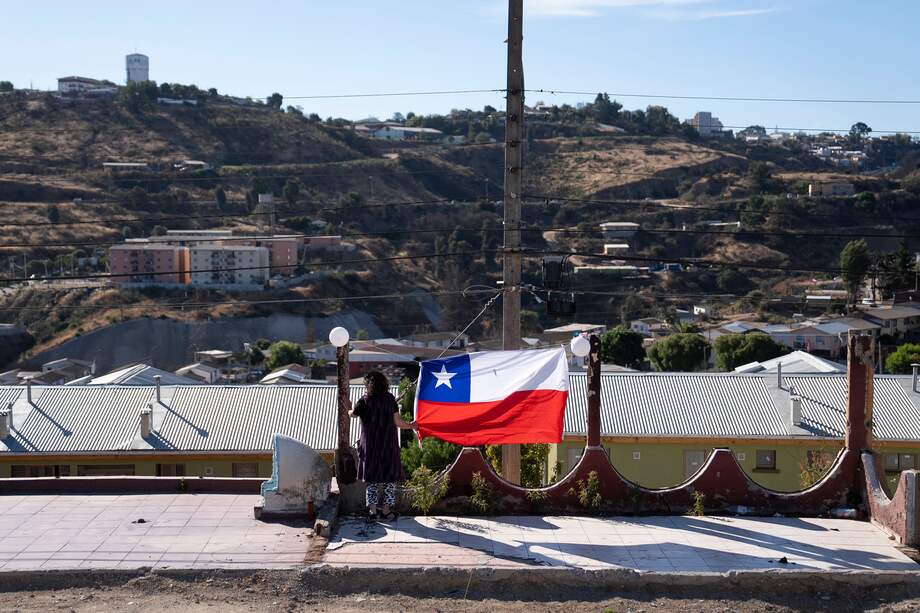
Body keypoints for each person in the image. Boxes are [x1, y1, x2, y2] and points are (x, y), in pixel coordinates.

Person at [348, 370, 418, 521]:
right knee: (389, 480)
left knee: (372, 480)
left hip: (370, 447)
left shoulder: (364, 400)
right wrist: (412, 426)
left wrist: (349, 408)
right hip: (388, 446)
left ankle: (372, 512)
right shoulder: (390, 400)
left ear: (369, 385)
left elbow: (353, 414)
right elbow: (398, 423)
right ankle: (386, 511)